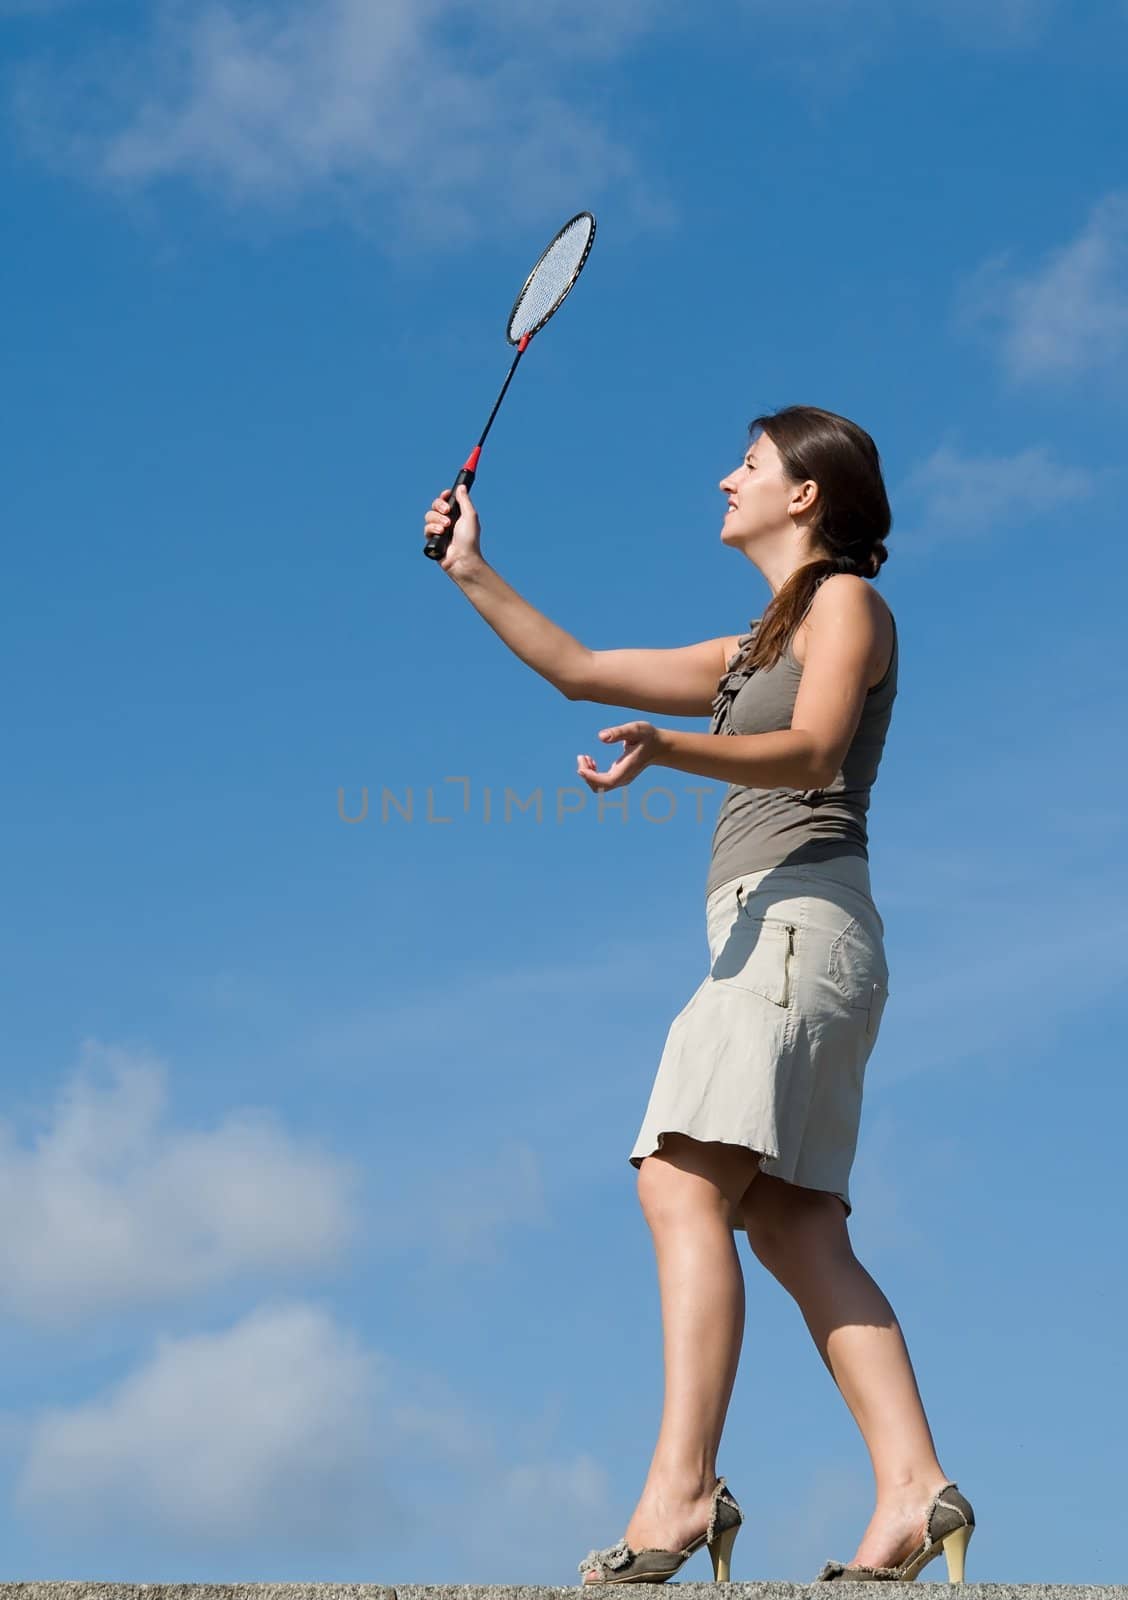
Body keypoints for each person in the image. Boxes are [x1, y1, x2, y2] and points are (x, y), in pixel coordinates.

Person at [421, 405, 975, 1587]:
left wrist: (671, 750)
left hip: (794, 926)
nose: (725, 478)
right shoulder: (751, 648)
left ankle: (679, 1490)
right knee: (789, 1218)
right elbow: (577, 670)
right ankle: (915, 1489)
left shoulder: (844, 607)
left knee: (679, 1176)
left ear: (807, 495)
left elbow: (819, 747)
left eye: (750, 464)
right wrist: (473, 569)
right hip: (786, 940)